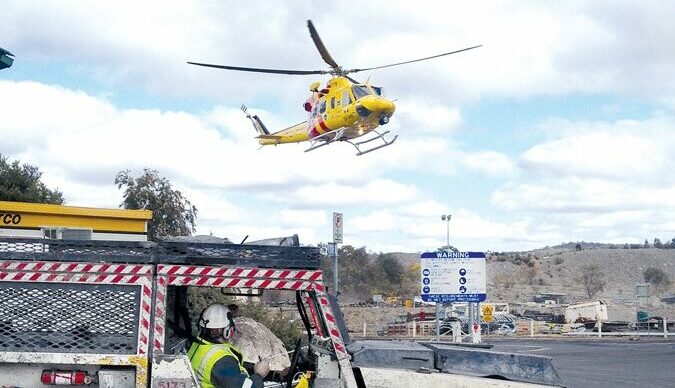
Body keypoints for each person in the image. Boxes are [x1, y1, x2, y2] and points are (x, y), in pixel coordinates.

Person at [188, 303, 270, 388]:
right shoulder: (221, 361)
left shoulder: (199, 346)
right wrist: (259, 375)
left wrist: (273, 374)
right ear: (228, 330)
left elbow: (231, 371)